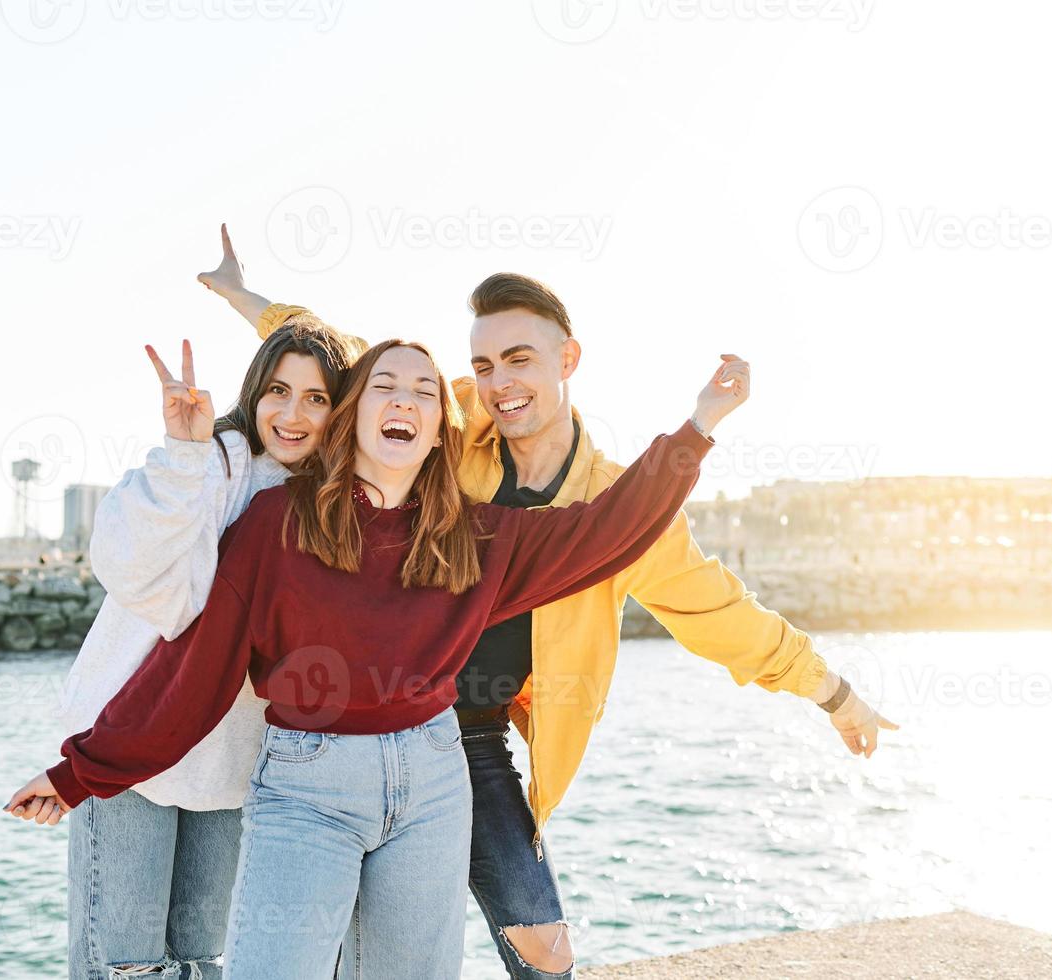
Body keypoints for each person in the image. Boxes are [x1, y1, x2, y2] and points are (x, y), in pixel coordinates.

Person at [202, 226, 898, 978]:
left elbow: (723, 614)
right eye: (483, 365)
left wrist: (835, 693)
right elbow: (349, 359)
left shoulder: (619, 506)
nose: (499, 383)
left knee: (544, 952)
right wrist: (246, 298)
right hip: (357, 730)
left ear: (568, 359)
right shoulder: (451, 432)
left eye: (520, 360)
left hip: (470, 740)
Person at [7, 337, 733, 979]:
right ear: (354, 414)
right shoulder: (274, 525)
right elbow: (192, 673)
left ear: (437, 434)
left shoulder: (477, 539)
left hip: (433, 780)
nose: (405, 399)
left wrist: (696, 431)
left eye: (424, 391)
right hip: (305, 786)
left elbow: (612, 528)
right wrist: (81, 772)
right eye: (384, 385)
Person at [52, 320, 363, 979]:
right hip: (129, 740)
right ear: (255, 390)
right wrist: (180, 454)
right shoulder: (217, 458)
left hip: (229, 767)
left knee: (203, 959)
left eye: (316, 397)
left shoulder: (339, 502)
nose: (292, 413)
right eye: (279, 389)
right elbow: (131, 567)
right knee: (124, 963)